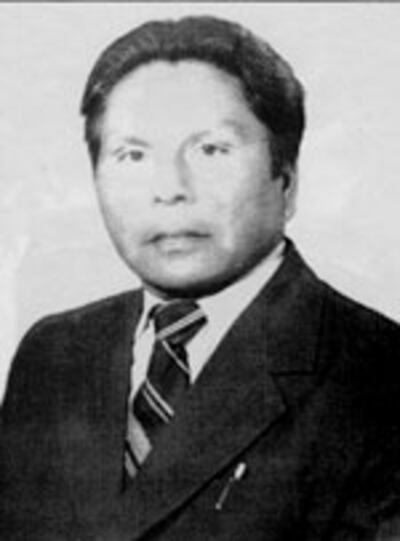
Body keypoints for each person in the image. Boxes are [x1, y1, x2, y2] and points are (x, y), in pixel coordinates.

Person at [1, 15, 400, 541]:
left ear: (287, 178)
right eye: (132, 155)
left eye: (211, 150)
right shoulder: (54, 355)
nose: (170, 189)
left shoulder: (381, 375)